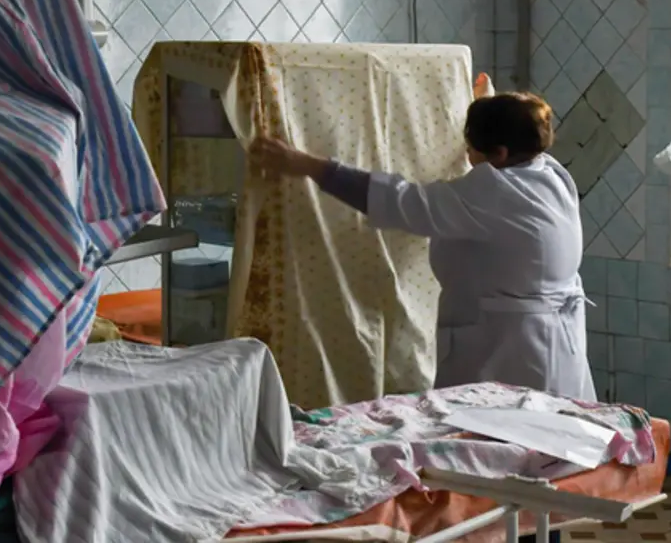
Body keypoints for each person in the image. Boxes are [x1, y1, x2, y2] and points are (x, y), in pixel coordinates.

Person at [249, 86, 596, 401]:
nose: (466, 153)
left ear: (501, 154)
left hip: (510, 352)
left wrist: (308, 165)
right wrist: (484, 105)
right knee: (552, 445)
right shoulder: (549, 172)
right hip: (550, 341)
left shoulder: (496, 192)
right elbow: (490, 172)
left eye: (472, 148)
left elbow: (404, 202)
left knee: (504, 445)